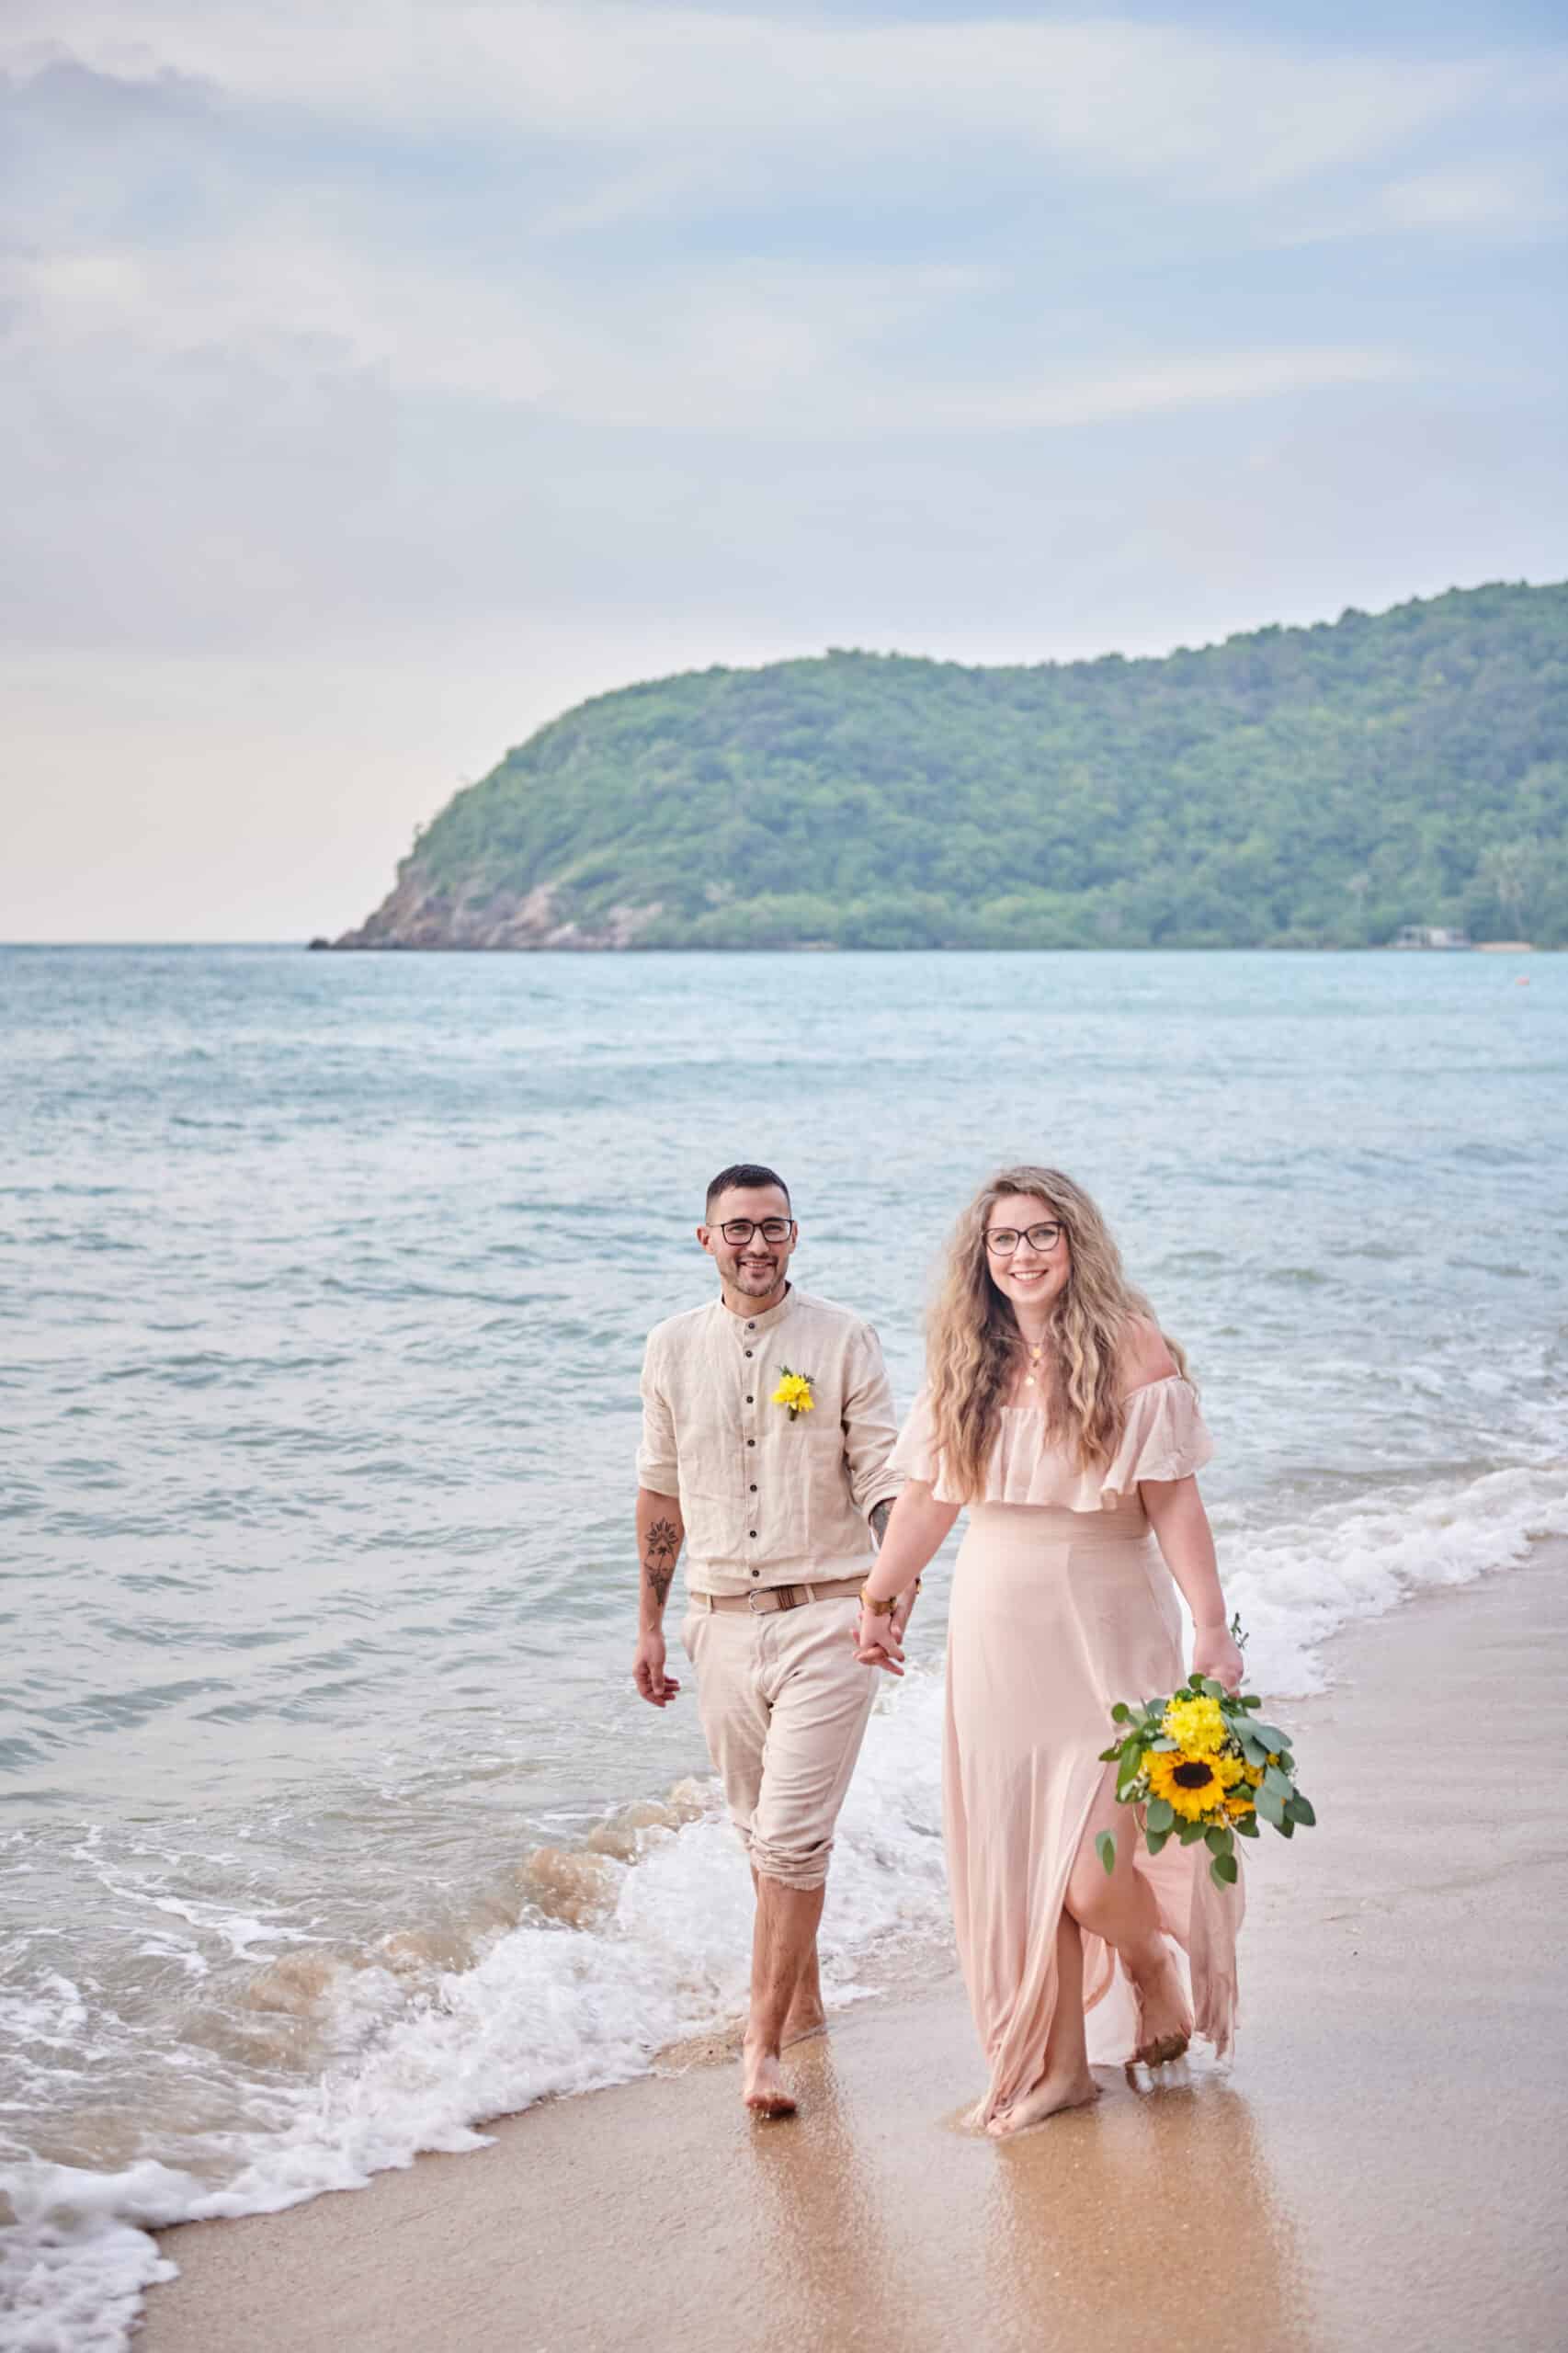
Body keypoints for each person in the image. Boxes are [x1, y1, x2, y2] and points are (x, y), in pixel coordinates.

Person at [855, 1165, 1244, 2138]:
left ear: (1073, 1242)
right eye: (1003, 1240)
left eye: (1039, 1235)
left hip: (1110, 1628)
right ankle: (1056, 2068)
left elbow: (1172, 1502)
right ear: (979, 1259)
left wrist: (1209, 1626)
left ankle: (1152, 1964)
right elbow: (930, 1497)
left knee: (1090, 1869)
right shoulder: (964, 1360)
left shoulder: (1130, 1350)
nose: (1021, 1254)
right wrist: (878, 1592)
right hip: (996, 1629)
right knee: (1023, 1858)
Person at [633, 1163, 914, 2118]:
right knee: (759, 1836)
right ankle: (801, 2003)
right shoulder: (669, 1347)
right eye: (738, 1228)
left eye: (773, 1227)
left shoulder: (842, 1339)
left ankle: (759, 2051)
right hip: (717, 1624)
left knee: (792, 1836)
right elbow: (660, 1491)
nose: (756, 1243)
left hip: (829, 1617)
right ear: (704, 1238)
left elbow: (884, 1474)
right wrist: (649, 1624)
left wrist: (893, 1583)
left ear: (795, 1235)